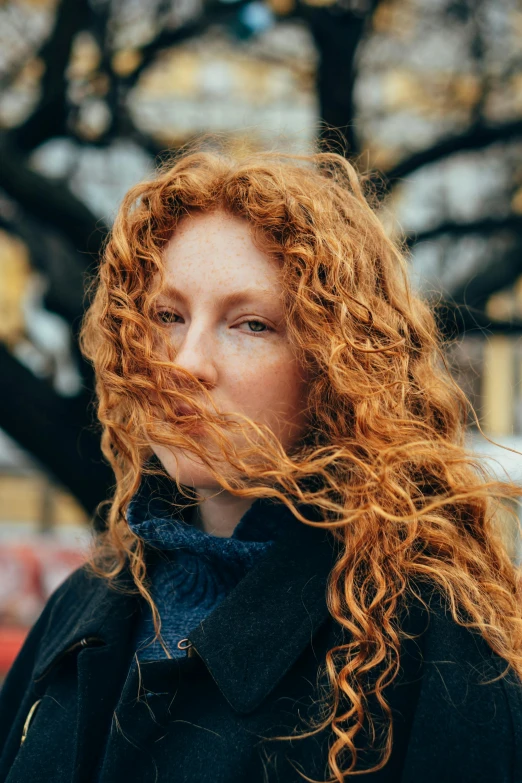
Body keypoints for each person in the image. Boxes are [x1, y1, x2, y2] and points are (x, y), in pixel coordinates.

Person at [1, 144, 522, 783]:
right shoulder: (85, 608)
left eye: (250, 325)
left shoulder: (429, 648)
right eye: (167, 316)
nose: (185, 363)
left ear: (336, 368)